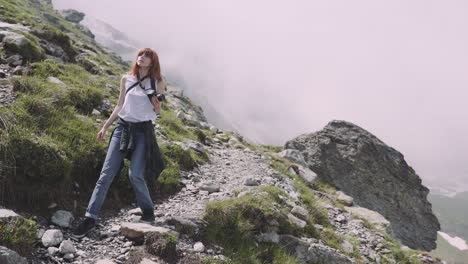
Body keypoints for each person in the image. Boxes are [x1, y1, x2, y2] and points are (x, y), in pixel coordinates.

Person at [72, 48, 165, 238]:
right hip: (122, 128)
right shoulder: (126, 78)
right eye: (140, 54)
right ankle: (90, 218)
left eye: (147, 56)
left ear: (153, 61)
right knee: (106, 174)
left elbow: (158, 112)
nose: (142, 57)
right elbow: (119, 104)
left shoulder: (157, 82)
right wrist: (105, 127)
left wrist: (157, 106)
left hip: (143, 132)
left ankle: (148, 212)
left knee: (135, 174)